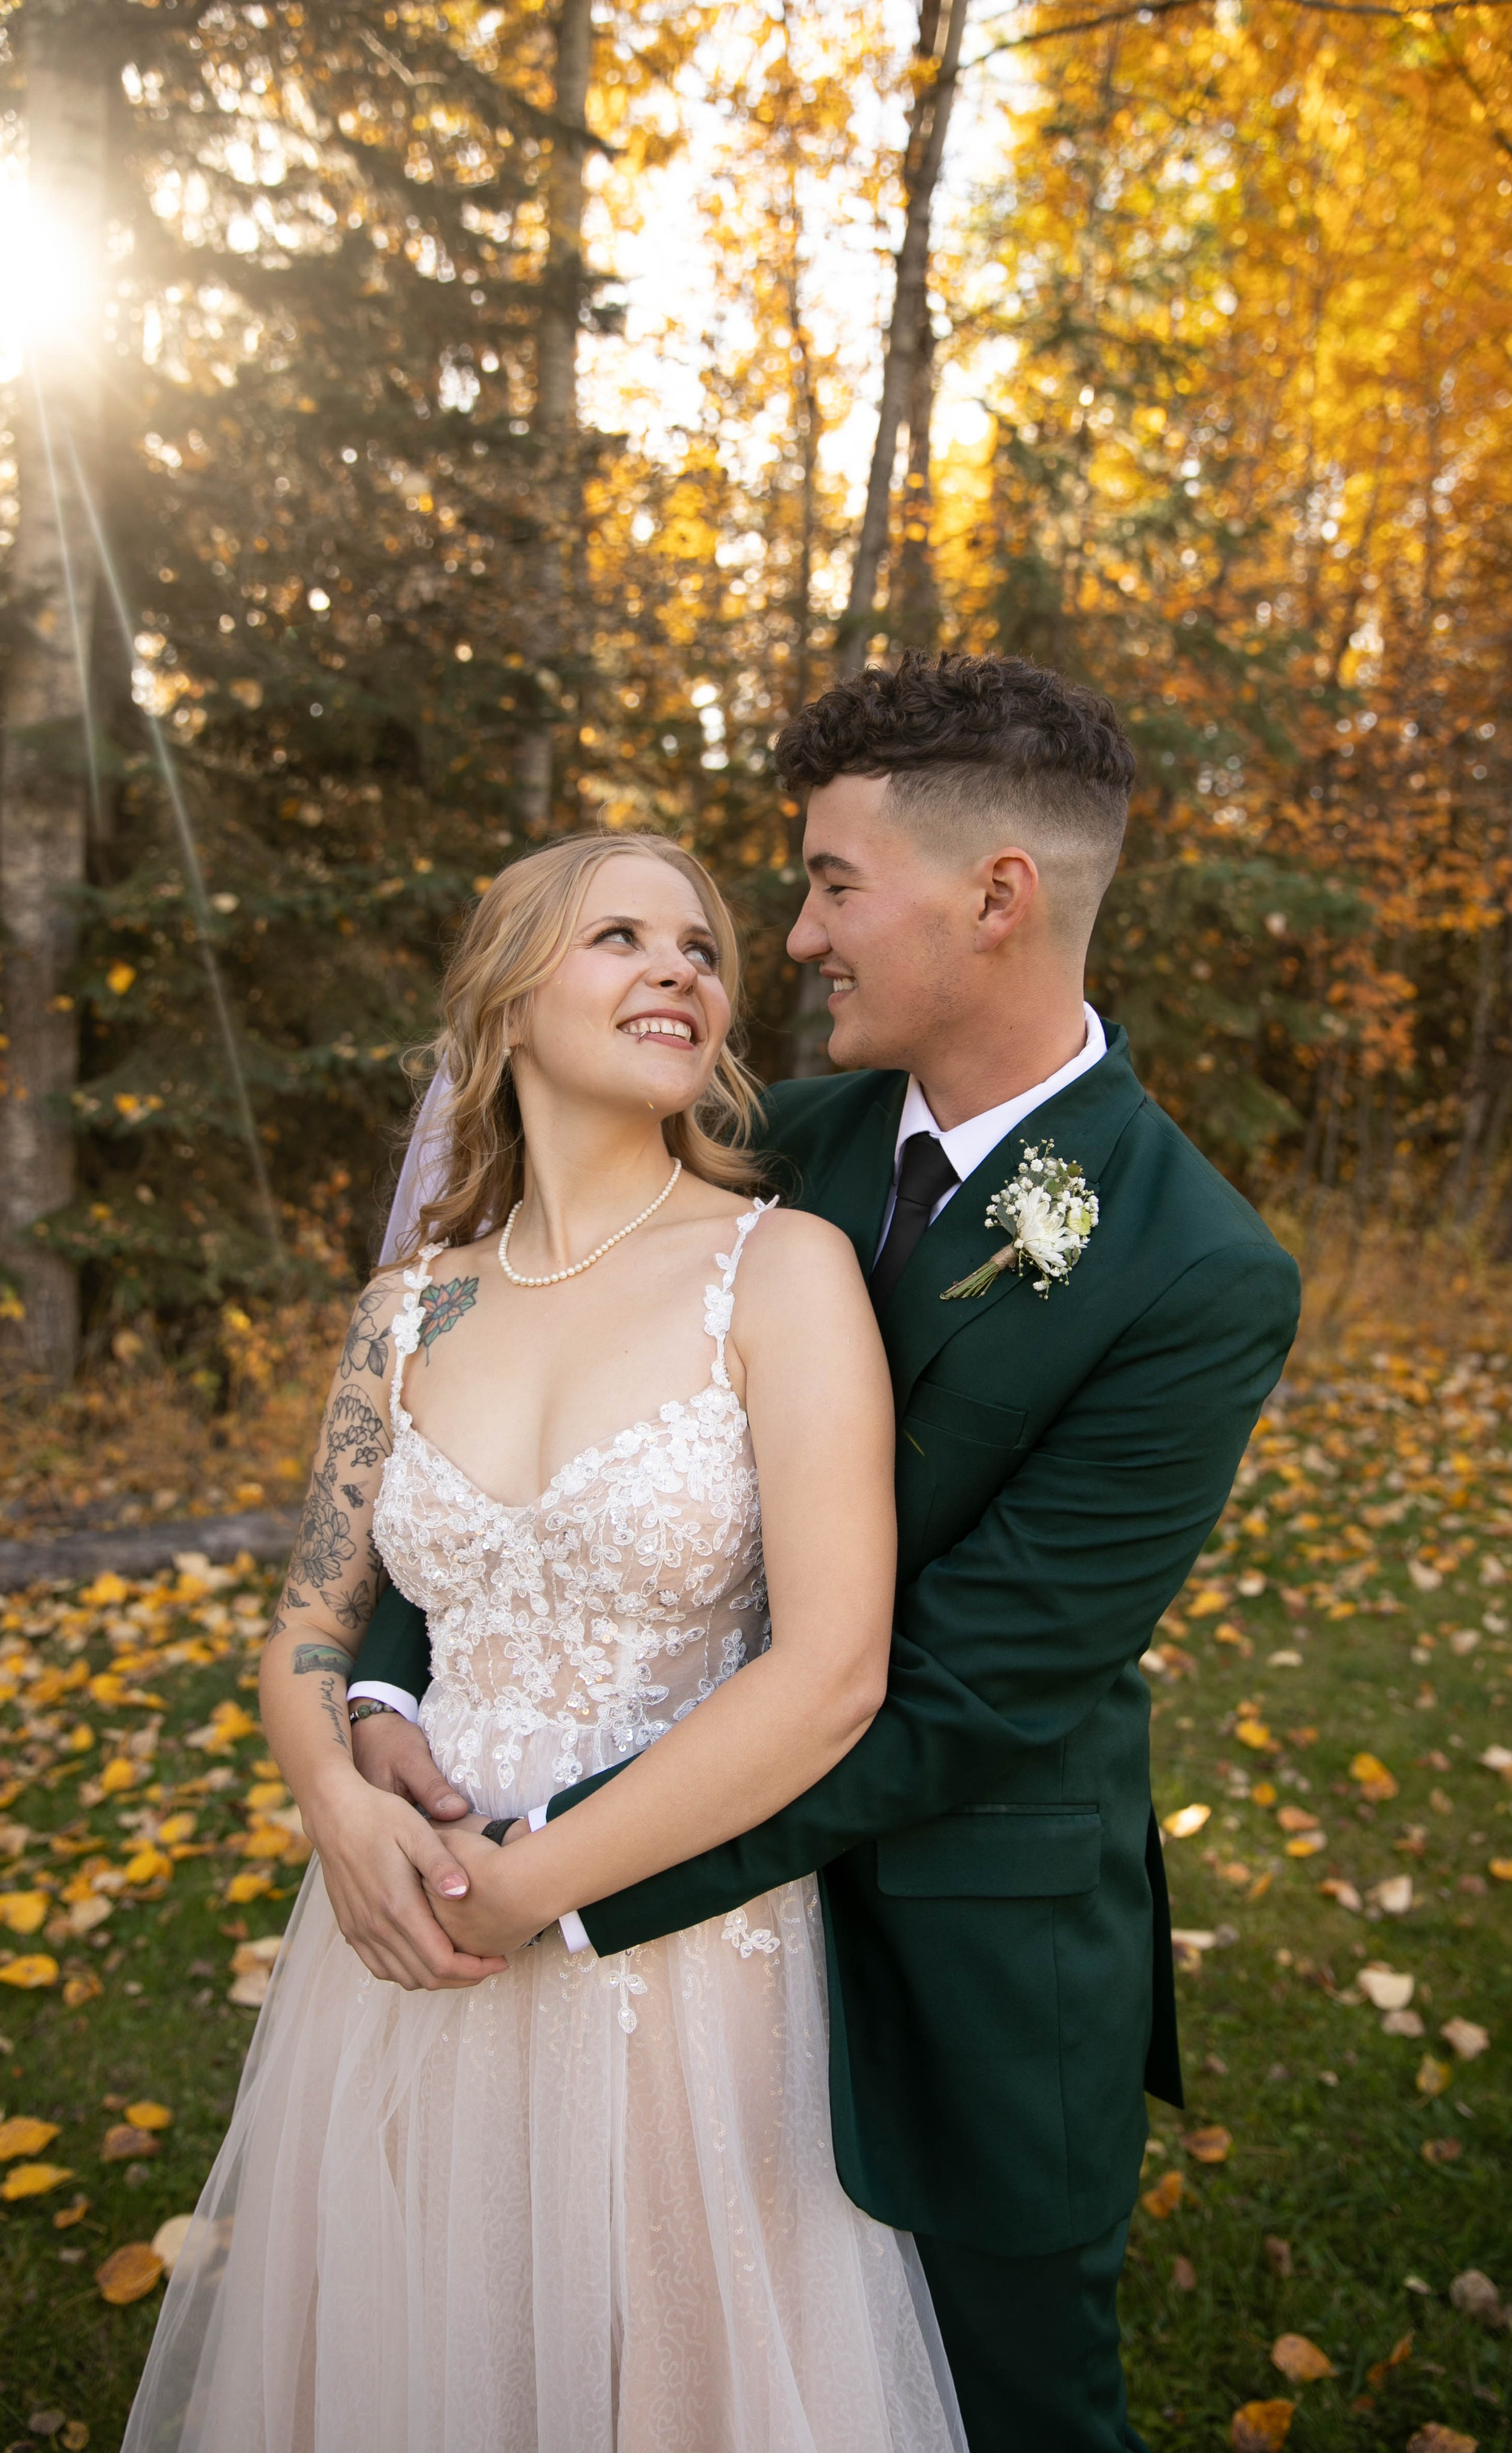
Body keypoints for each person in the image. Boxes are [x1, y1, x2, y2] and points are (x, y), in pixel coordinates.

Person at [348, 652, 1302, 2452]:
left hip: (956, 1933)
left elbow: (953, 1686)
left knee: (1005, 2402)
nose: (788, 937)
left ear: (994, 896)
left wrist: (566, 1871)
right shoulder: (769, 1137)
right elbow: (496, 1413)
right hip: (647, 1969)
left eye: (831, 881)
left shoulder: (1195, 1270)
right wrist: (392, 1668)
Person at [121, 832, 966, 2453]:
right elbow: (313, 1614)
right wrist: (337, 1802)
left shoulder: (777, 1270)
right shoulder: (407, 1311)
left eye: (703, 946)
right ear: (506, 1007)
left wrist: (533, 1881)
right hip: (403, 1928)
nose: (684, 966)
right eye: (621, 937)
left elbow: (833, 1667)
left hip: (668, 1936)